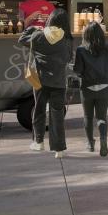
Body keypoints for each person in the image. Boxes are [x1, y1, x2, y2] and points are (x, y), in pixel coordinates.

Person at [25, 10, 74, 156]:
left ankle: (38, 142)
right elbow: (68, 58)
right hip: (58, 82)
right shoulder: (67, 39)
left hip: (40, 81)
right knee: (57, 115)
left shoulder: (39, 36)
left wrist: (34, 28)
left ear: (50, 20)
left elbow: (22, 39)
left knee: (39, 111)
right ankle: (59, 149)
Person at [75, 22, 108, 157]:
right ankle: (103, 140)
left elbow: (78, 70)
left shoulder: (81, 49)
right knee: (101, 117)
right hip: (104, 87)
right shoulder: (107, 48)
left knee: (88, 116)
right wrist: (106, 77)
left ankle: (90, 143)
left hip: (87, 88)